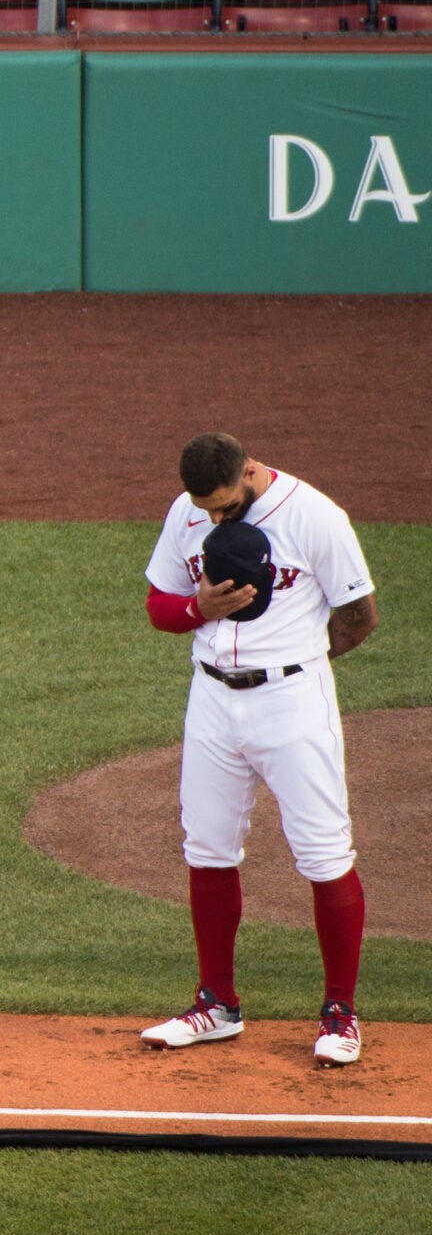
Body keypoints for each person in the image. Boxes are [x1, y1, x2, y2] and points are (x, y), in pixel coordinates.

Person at [137, 432, 380, 1068]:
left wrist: (299, 661)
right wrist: (198, 607)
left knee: (324, 852)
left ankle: (340, 1013)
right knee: (207, 846)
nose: (213, 519)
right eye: (205, 509)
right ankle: (217, 1004)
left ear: (250, 471)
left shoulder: (314, 516)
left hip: (293, 701)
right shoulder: (187, 510)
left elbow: (359, 615)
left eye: (223, 505)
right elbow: (158, 606)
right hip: (212, 700)